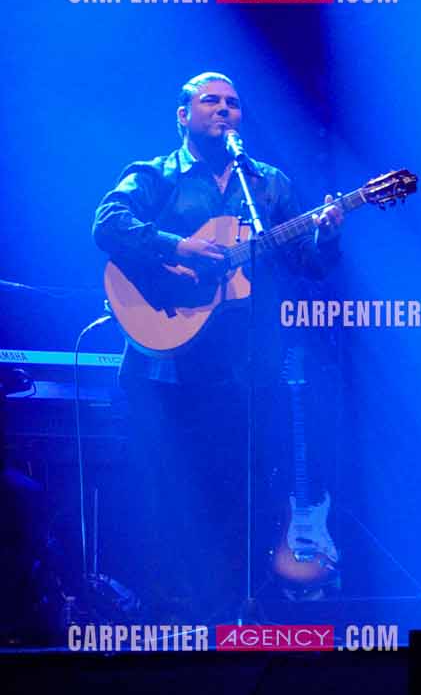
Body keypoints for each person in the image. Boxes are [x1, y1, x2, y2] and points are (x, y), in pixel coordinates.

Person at [92, 71, 344, 622]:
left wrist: (327, 231)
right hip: (166, 367)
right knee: (169, 499)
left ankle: (231, 617)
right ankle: (165, 620)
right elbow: (108, 224)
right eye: (212, 101)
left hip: (242, 371)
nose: (225, 110)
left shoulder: (268, 186)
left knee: (240, 493)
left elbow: (310, 265)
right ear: (184, 115)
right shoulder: (155, 176)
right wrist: (178, 244)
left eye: (234, 103)